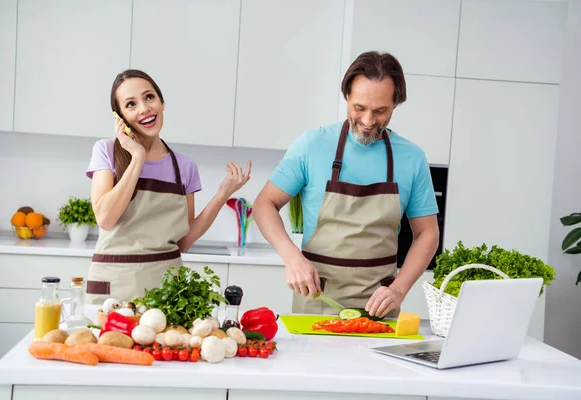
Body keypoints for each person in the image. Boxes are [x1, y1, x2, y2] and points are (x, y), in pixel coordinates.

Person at [253, 51, 439, 318]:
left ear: (395, 105)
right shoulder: (312, 145)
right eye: (359, 108)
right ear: (347, 97)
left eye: (380, 111)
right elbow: (264, 204)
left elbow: (427, 234)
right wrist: (292, 257)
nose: (367, 121)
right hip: (317, 302)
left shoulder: (412, 158)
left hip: (380, 308)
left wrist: (399, 289)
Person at [85, 69, 251, 305]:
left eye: (149, 97)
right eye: (131, 104)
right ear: (119, 117)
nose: (144, 108)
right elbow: (105, 218)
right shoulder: (106, 151)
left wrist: (223, 193)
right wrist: (137, 157)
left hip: (167, 289)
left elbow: (183, 242)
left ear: (162, 103)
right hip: (113, 288)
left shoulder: (184, 166)